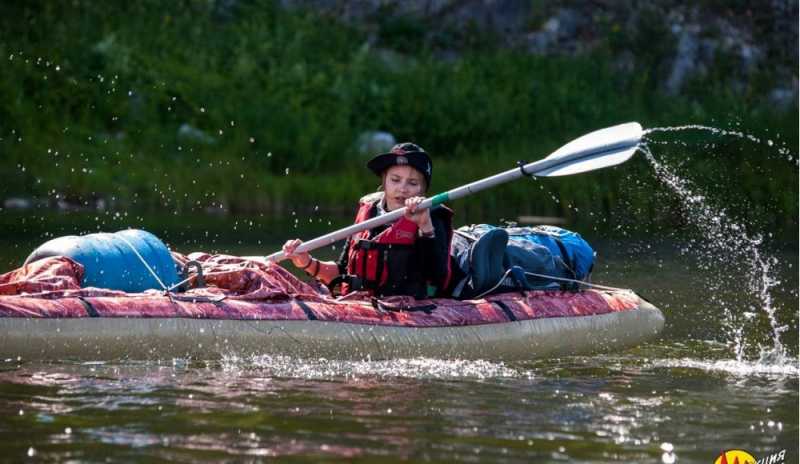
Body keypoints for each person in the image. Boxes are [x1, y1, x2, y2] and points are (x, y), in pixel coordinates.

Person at [282, 143, 454, 299]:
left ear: (422, 190)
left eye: (413, 183)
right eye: (395, 180)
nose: (402, 188)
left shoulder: (431, 218)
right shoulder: (369, 212)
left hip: (405, 311)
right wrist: (307, 262)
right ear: (384, 181)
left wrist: (425, 227)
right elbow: (342, 271)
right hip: (360, 306)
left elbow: (437, 278)